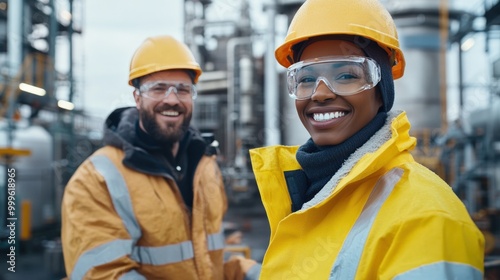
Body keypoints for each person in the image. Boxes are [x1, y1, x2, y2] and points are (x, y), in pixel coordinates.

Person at [248, 0, 485, 278]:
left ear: (381, 90)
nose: (320, 93)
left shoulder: (427, 217)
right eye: (306, 78)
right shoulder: (307, 194)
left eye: (346, 75)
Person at [61, 35, 256, 280]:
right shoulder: (95, 179)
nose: (172, 99)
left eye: (183, 89)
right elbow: (101, 274)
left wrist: (253, 273)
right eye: (159, 88)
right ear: (137, 98)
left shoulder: (205, 166)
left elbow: (208, 257)